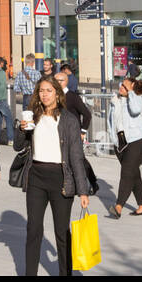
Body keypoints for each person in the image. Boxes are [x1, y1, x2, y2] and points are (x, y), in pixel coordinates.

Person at [14, 75, 90, 276]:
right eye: (41, 91)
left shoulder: (69, 120)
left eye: (49, 90)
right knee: (33, 230)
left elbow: (76, 157)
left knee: (62, 233)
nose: (44, 94)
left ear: (57, 93)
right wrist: (21, 129)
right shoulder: (33, 117)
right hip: (36, 177)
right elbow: (18, 146)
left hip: (61, 179)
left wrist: (83, 191)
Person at [107, 75, 142, 218]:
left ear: (131, 88)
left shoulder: (136, 98)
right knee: (133, 174)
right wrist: (113, 139)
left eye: (125, 86)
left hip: (136, 139)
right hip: (120, 142)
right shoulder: (115, 100)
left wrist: (131, 92)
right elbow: (111, 121)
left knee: (126, 173)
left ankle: (118, 206)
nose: (121, 88)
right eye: (121, 85)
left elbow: (136, 110)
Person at [54, 66, 98, 194]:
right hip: (59, 133)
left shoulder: (72, 97)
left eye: (58, 80)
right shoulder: (53, 97)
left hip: (74, 134)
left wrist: (82, 132)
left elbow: (87, 115)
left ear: (64, 82)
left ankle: (92, 183)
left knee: (78, 159)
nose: (55, 83)